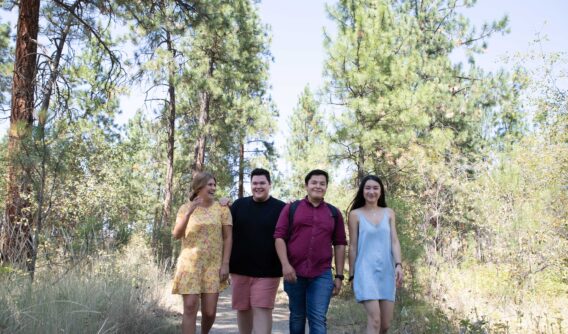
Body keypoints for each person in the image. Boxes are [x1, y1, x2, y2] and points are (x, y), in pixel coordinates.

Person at [274, 169, 347, 334]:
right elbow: (279, 237)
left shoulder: (334, 213)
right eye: (314, 182)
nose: (318, 186)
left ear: (326, 187)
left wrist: (339, 276)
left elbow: (340, 244)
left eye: (322, 183)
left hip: (321, 274)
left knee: (318, 317)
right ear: (306, 185)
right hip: (294, 272)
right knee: (297, 316)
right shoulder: (292, 208)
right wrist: (285, 265)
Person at [171, 172, 233, 334]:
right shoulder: (185, 208)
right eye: (209, 185)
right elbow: (177, 235)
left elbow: (228, 238)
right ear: (199, 188)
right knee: (190, 307)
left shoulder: (222, 209)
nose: (213, 188)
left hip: (213, 266)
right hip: (190, 265)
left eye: (214, 184)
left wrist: (225, 264)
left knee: (209, 312)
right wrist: (189, 212)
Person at [229, 168, 286, 334]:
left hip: (268, 271)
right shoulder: (238, 205)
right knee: (243, 309)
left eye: (262, 183)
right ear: (250, 185)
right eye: (255, 183)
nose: (258, 186)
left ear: (269, 184)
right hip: (239, 269)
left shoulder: (281, 208)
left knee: (262, 309)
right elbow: (226, 233)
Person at [347, 175, 403, 334]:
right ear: (362, 191)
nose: (371, 191)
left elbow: (394, 241)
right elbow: (353, 246)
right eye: (368, 188)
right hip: (365, 272)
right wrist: (352, 274)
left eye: (375, 188)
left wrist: (399, 265)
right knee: (375, 320)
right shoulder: (355, 215)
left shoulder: (389, 213)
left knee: (385, 325)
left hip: (387, 271)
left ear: (381, 191)